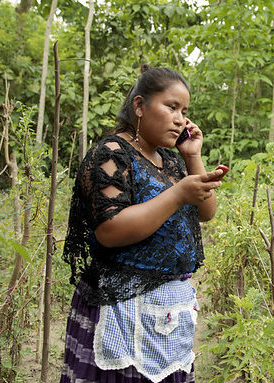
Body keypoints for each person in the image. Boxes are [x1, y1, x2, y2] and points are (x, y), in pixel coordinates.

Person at [60, 65, 223, 383]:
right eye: (171, 106)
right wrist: (176, 196)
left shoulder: (172, 159)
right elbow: (110, 230)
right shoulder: (111, 155)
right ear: (139, 106)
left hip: (167, 310)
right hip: (122, 309)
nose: (180, 119)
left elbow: (206, 212)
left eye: (185, 111)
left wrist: (192, 156)